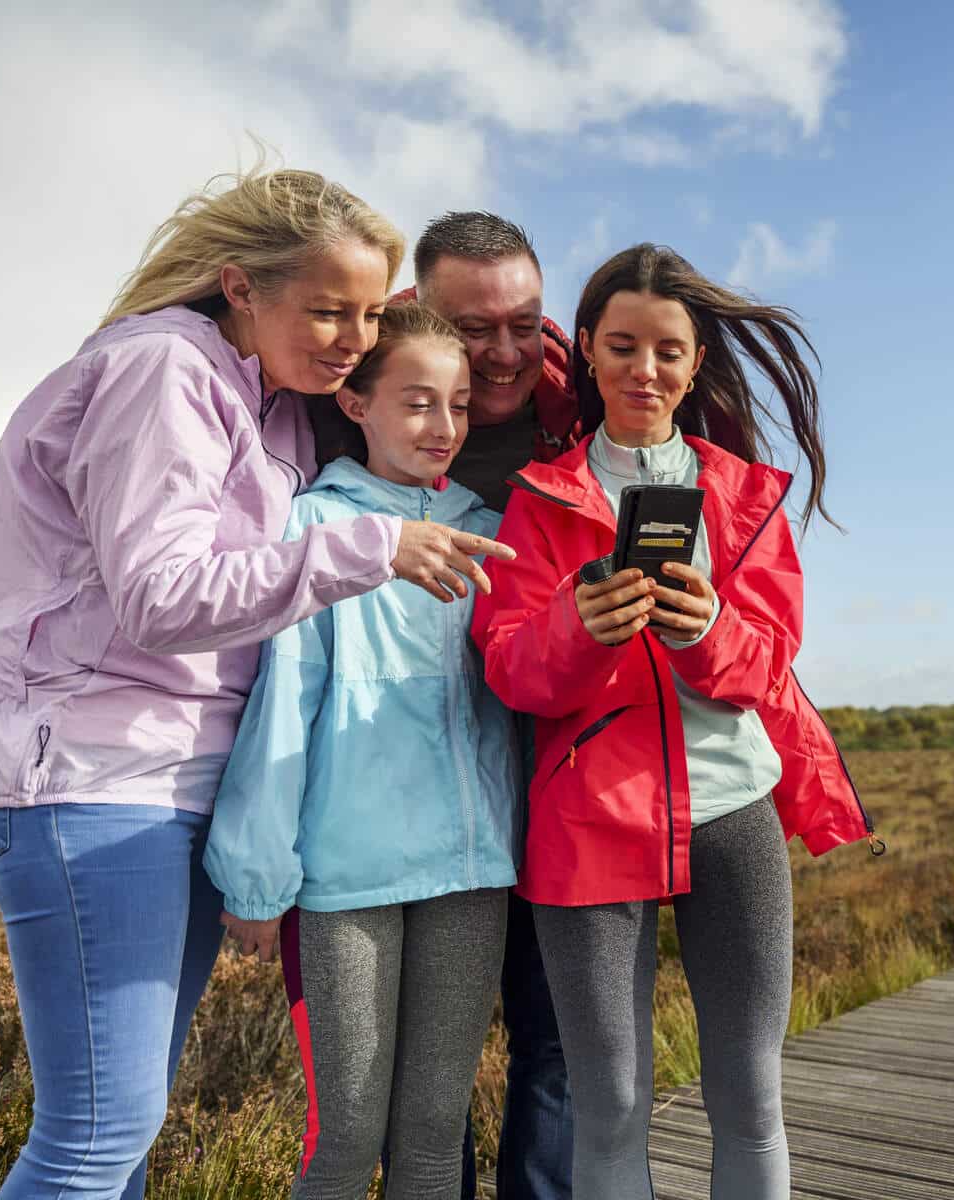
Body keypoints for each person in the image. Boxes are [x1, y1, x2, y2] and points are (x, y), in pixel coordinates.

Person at [0, 166, 514, 1200]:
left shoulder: (275, 405)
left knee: (121, 1135)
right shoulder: (163, 368)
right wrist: (372, 549)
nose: (350, 336)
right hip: (88, 780)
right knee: (91, 1139)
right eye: (325, 309)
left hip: (169, 788)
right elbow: (161, 600)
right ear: (240, 287)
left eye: (365, 312)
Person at [473, 243, 881, 1200]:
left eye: (666, 351)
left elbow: (770, 662)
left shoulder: (746, 498)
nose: (643, 371)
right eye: (620, 347)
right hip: (588, 823)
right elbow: (513, 671)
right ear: (582, 349)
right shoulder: (535, 504)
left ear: (695, 362)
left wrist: (707, 633)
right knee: (609, 1105)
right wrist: (578, 629)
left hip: (733, 809)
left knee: (750, 1094)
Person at [205, 302, 520, 1198]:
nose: (444, 426)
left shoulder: (493, 528)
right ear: (357, 405)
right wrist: (259, 879)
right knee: (344, 1138)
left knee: (431, 1137)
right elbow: (280, 708)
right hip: (347, 882)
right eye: (418, 402)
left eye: (458, 405)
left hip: (470, 878)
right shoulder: (312, 528)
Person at [310, 210, 578, 1200]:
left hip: (517, 831)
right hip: (366, 855)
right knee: (375, 1125)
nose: (503, 355)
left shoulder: (572, 425)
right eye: (473, 332)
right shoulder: (331, 487)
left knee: (522, 1073)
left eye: (524, 324)